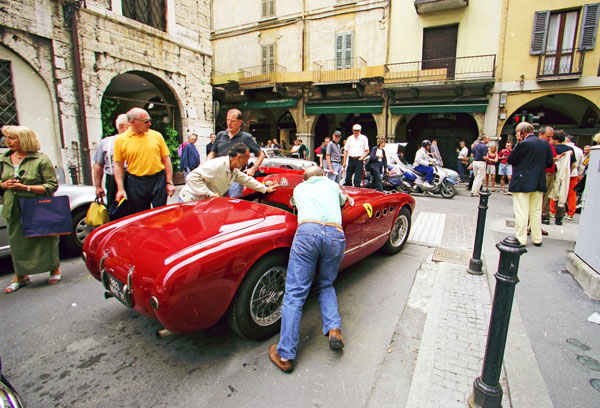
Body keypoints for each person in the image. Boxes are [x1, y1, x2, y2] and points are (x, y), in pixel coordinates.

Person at [269, 166, 351, 373]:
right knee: (326, 284)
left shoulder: (299, 189)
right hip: (335, 236)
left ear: (304, 179)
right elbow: (344, 202)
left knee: (295, 293)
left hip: (307, 233)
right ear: (322, 175)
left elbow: (293, 206)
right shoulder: (333, 185)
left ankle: (285, 354)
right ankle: (334, 330)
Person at [1, 125, 61, 293]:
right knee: (17, 241)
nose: (7, 141)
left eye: (11, 138)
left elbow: (51, 185)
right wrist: (5, 185)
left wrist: (25, 187)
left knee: (44, 238)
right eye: (6, 138)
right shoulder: (3, 159)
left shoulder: (40, 159)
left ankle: (54, 268)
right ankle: (21, 275)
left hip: (36, 205)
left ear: (24, 140)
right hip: (13, 206)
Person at [113, 107, 175, 215]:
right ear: (133, 122)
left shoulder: (156, 135)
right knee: (140, 215)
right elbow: (118, 165)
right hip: (136, 182)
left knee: (160, 213)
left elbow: (166, 159)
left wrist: (169, 182)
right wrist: (120, 189)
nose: (150, 124)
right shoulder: (120, 140)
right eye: (146, 121)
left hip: (158, 180)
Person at [507, 122, 554, 246]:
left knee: (521, 210)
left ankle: (521, 238)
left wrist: (517, 143)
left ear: (521, 132)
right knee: (536, 211)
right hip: (538, 181)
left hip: (522, 181)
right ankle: (537, 237)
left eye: (518, 133)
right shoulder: (545, 144)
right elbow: (550, 163)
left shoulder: (523, 144)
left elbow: (511, 159)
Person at [179, 143, 277, 202]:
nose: (247, 163)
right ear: (238, 158)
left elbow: (247, 180)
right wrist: (209, 193)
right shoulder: (217, 164)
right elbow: (191, 177)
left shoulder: (233, 170)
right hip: (189, 200)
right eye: (246, 159)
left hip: (203, 202)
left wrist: (265, 189)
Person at [206, 109, 265, 197]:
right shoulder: (220, 135)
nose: (229, 123)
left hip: (236, 177)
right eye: (227, 120)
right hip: (219, 176)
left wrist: (253, 168)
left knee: (234, 203)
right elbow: (213, 153)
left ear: (240, 122)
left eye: (233, 121)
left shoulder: (246, 137)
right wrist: (207, 164)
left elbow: (261, 155)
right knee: (217, 202)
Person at [93, 113, 129, 204]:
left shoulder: (137, 141)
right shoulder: (106, 142)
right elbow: (98, 165)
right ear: (121, 127)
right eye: (130, 126)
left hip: (133, 180)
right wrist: (98, 186)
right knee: (115, 209)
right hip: (113, 181)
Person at [539, 126, 556, 225]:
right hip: (544, 174)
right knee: (539, 201)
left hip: (550, 174)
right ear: (541, 134)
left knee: (543, 201)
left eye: (551, 137)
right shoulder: (542, 145)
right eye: (548, 136)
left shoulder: (548, 145)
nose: (550, 139)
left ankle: (535, 226)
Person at [564, 135, 584, 220]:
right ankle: (571, 212)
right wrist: (580, 174)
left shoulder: (565, 148)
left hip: (564, 172)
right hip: (574, 173)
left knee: (558, 191)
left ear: (567, 140)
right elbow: (582, 164)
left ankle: (553, 211)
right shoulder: (579, 150)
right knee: (572, 193)